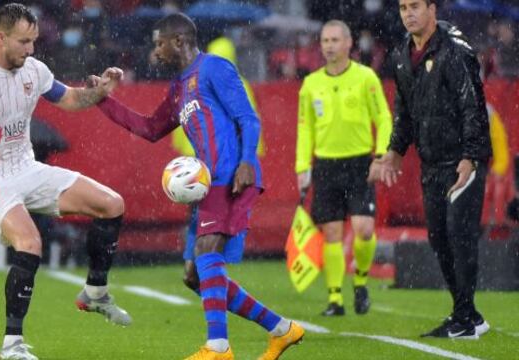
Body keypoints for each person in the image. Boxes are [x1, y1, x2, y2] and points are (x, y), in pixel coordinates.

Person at [92, 13, 304, 360]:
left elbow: (247, 117)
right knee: (194, 276)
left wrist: (248, 160)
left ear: (179, 41)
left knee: (207, 251)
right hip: (209, 185)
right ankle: (282, 329)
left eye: (159, 43)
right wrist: (102, 100)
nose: (155, 51)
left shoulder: (214, 68)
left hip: (231, 175)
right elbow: (149, 128)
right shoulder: (178, 88)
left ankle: (218, 347)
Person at [0, 4, 130, 360]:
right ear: (1, 38)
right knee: (30, 242)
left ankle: (94, 293)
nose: (30, 49)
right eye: (23, 42)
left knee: (112, 204)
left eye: (34, 41)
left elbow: (72, 99)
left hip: (27, 167)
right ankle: (11, 345)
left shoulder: (34, 70)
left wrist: (101, 90)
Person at [369, 0, 492, 339]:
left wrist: (470, 157)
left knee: (459, 236)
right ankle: (469, 314)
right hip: (431, 163)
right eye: (403, 7)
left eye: (415, 6)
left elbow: (473, 107)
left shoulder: (455, 50)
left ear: (432, 9)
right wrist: (394, 150)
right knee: (439, 239)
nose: (408, 13)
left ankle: (464, 318)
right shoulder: (400, 55)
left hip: (462, 163)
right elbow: (404, 111)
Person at [295, 20, 392, 317]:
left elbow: (384, 119)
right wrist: (302, 165)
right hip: (325, 165)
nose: (329, 45)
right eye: (325, 40)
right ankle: (335, 299)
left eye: (335, 40)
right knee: (332, 233)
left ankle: (360, 282)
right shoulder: (311, 84)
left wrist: (380, 155)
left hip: (360, 163)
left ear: (349, 43)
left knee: (363, 229)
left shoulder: (366, 78)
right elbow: (305, 128)